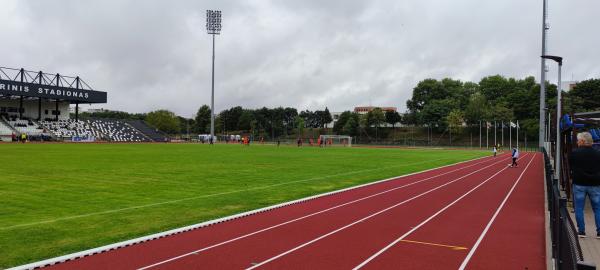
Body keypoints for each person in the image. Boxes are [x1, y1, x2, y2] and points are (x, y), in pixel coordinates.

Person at [569, 132, 600, 238]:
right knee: (597, 208)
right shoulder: (598, 153)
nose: (577, 142)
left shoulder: (575, 153)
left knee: (579, 208)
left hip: (579, 183)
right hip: (595, 183)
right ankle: (599, 231)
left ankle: (581, 231)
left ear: (582, 141)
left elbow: (571, 166)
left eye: (578, 140)